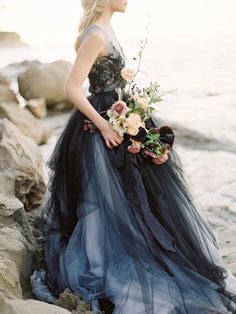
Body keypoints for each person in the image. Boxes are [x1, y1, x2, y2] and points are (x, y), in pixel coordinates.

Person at [30, 0, 236, 313]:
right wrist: (104, 127)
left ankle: (148, 251)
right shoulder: (95, 35)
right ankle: (107, 258)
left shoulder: (108, 30)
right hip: (101, 125)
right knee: (105, 201)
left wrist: (134, 108)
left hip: (121, 116)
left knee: (135, 198)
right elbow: (72, 87)